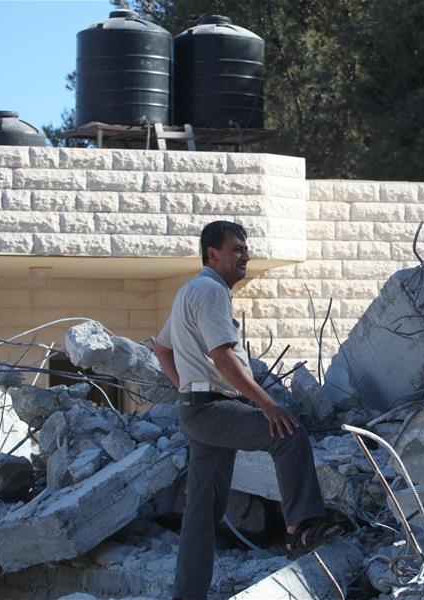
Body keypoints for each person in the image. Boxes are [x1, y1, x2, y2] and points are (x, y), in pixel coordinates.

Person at [154, 221, 338, 599]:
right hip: (212, 410)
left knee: (201, 514)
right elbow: (223, 358)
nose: (246, 256)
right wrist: (268, 404)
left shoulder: (190, 291)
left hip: (200, 410)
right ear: (213, 254)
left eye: (246, 248)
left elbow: (162, 349)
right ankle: (301, 529)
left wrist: (186, 389)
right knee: (288, 433)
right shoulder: (210, 291)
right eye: (237, 249)